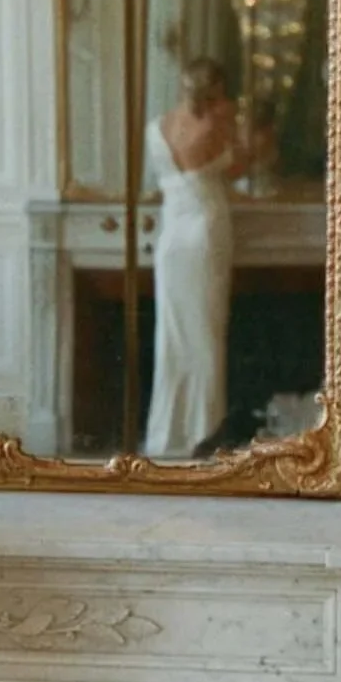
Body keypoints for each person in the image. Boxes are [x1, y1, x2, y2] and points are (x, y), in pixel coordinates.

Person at [143, 56, 240, 460]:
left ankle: (169, 432)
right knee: (206, 332)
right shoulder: (214, 125)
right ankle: (203, 430)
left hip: (171, 239)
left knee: (174, 335)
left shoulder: (157, 127)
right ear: (214, 90)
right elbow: (237, 167)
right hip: (204, 230)